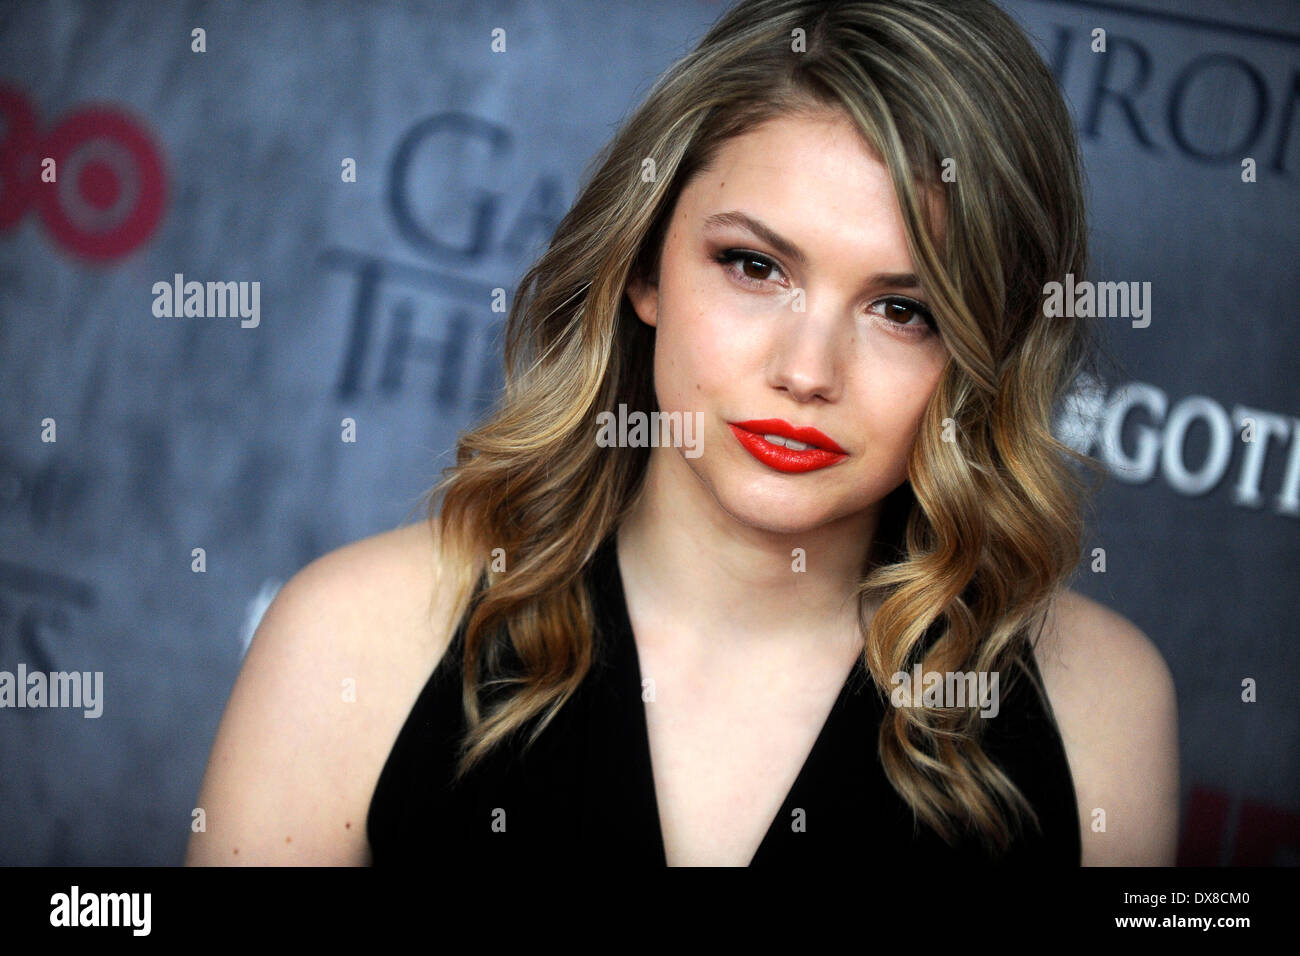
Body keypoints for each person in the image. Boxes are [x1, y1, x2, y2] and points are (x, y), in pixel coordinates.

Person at [186, 0, 1178, 867]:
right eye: (754, 266)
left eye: (903, 310)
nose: (806, 370)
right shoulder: (354, 638)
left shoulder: (1102, 706)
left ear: (985, 351)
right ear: (644, 266)